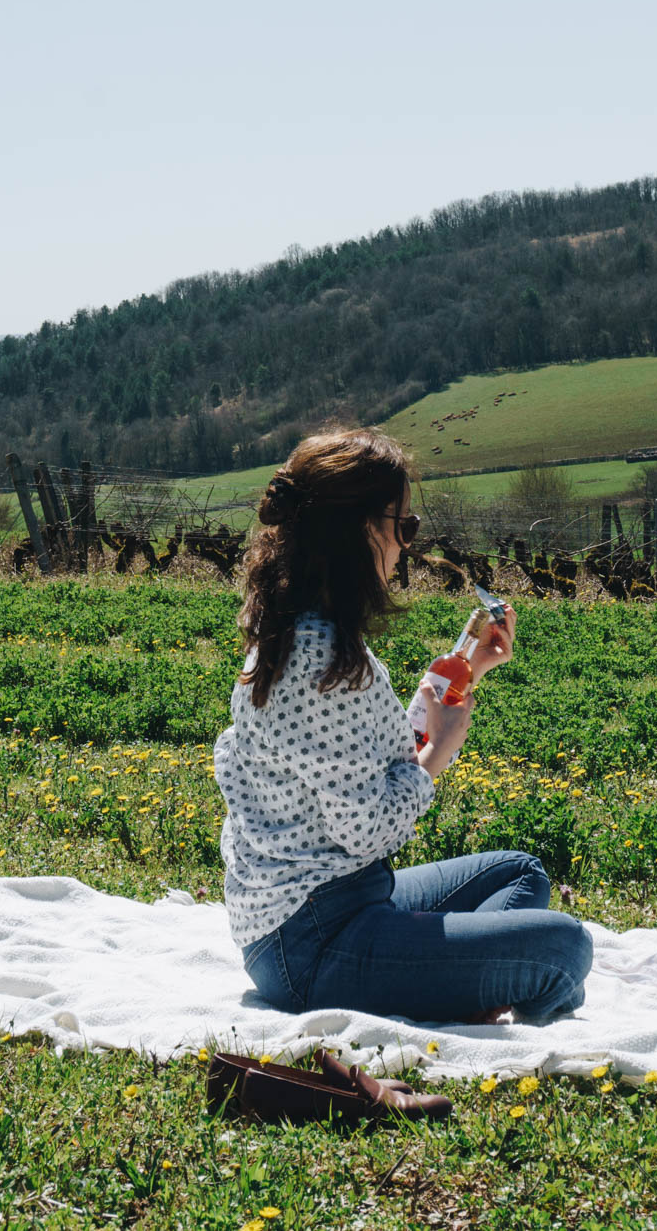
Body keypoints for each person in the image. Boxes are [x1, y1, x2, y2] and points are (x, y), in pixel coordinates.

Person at [214, 427, 593, 1024]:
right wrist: (440, 750)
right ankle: (450, 978)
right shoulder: (325, 664)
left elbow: (354, 754)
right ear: (361, 528)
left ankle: (444, 975)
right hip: (312, 941)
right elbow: (368, 830)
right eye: (404, 526)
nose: (406, 546)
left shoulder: (299, 634)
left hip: (330, 905)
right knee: (565, 948)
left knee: (520, 873)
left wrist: (462, 669)